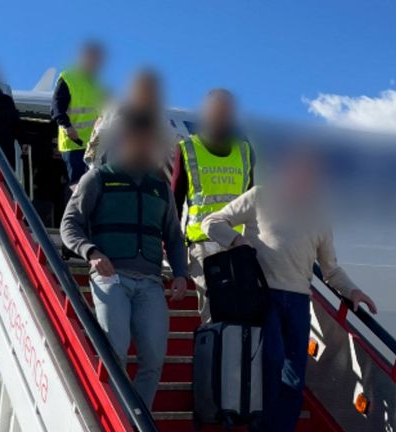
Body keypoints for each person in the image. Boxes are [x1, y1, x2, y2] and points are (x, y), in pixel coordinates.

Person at [201, 149, 377, 432]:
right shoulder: (260, 196)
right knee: (269, 370)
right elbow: (211, 222)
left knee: (294, 378)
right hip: (262, 297)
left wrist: (353, 292)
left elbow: (330, 270)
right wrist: (236, 241)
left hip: (297, 302)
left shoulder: (319, 217)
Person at [60, 108, 189, 408]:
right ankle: (113, 413)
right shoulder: (98, 178)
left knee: (155, 356)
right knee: (115, 348)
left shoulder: (160, 188)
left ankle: (135, 417)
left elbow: (172, 235)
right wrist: (90, 253)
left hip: (151, 283)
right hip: (111, 277)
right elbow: (70, 224)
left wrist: (180, 273)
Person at [170, 89, 256, 322]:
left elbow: (253, 201)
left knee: (243, 310)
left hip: (238, 244)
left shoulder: (245, 151)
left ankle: (232, 357)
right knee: (215, 307)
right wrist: (169, 241)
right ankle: (214, 356)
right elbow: (174, 200)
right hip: (202, 244)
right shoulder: (188, 149)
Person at [84, 69, 175, 174]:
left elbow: (170, 142)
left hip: (144, 171)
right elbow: (98, 139)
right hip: (115, 169)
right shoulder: (118, 110)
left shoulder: (157, 117)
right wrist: (95, 169)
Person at [51, 41, 106, 188]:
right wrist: (67, 127)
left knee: (93, 184)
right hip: (73, 143)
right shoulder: (68, 78)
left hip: (93, 144)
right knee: (78, 185)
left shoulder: (97, 84)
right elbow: (56, 108)